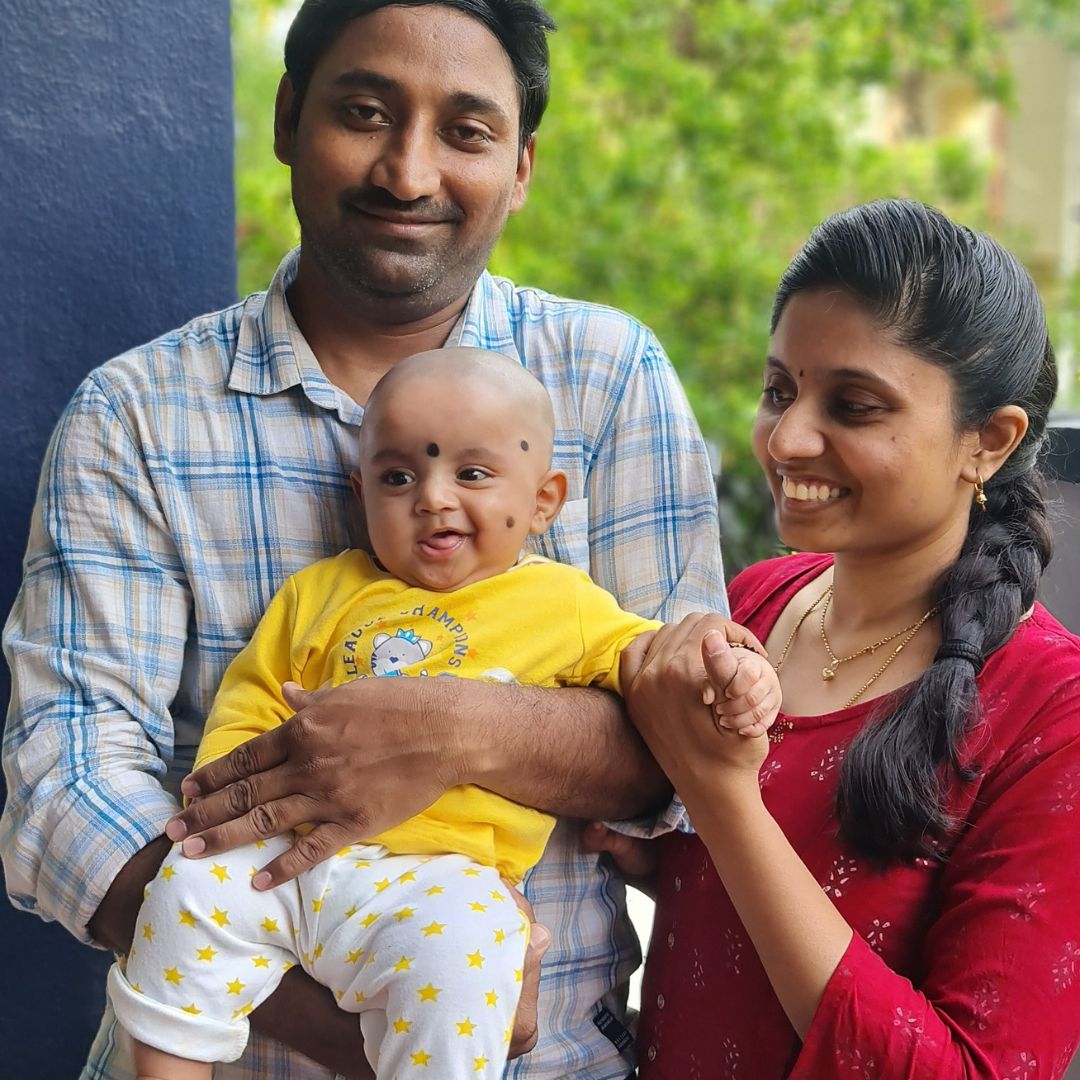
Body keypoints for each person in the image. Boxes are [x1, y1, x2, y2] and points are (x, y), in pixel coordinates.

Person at [0, 3, 727, 1078]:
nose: (408, 170)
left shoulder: (609, 380)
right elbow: (61, 786)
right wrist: (390, 1023)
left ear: (521, 166)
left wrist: (458, 728)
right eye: (365, 112)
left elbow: (691, 756)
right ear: (290, 117)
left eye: (466, 132)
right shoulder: (138, 415)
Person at [108, 348, 776, 1080]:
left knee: (476, 950)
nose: (432, 497)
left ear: (545, 499)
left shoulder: (564, 604)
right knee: (187, 887)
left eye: (472, 474)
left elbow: (654, 671)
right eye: (398, 478)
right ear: (361, 491)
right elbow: (255, 697)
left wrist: (730, 667)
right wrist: (221, 806)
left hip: (444, 880)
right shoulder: (322, 593)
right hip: (290, 857)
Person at [607, 198, 1080, 1077]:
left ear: (989, 440)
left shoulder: (1053, 713)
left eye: (854, 406)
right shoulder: (755, 602)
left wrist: (720, 799)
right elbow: (747, 921)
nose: (786, 439)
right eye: (779, 390)